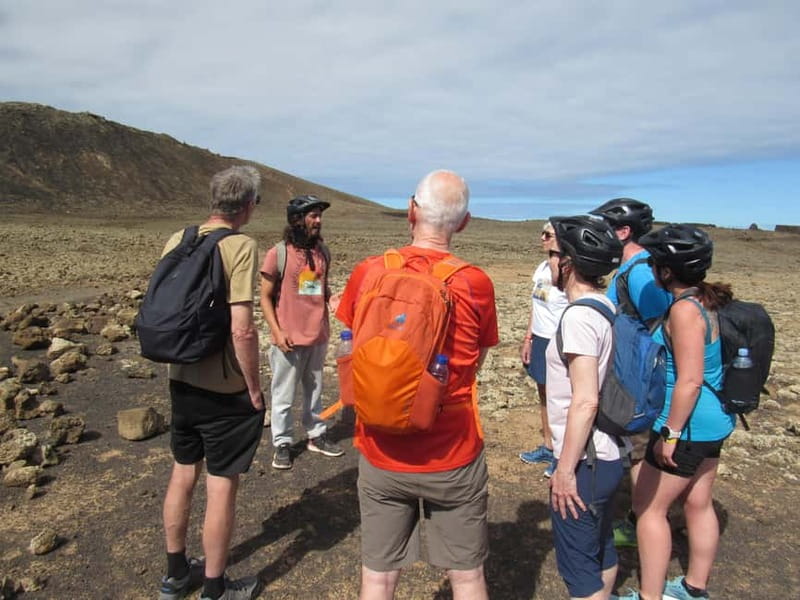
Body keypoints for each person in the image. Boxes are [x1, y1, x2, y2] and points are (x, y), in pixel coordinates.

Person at [336, 169, 499, 600]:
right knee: (466, 576)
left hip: (380, 451)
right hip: (452, 454)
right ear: (463, 223)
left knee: (378, 576)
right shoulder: (475, 282)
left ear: (411, 210)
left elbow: (356, 345)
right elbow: (477, 359)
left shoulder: (369, 272)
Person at [158, 166, 264, 600]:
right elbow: (242, 329)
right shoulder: (240, 246)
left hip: (180, 378)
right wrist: (253, 387)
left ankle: (175, 573)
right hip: (223, 389)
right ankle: (216, 589)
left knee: (183, 473)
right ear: (248, 205)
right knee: (221, 486)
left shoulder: (178, 239)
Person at [612, 225, 735, 600]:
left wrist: (671, 432)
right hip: (714, 420)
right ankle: (694, 588)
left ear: (667, 271)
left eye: (656, 265)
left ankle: (651, 597)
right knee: (698, 503)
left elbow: (690, 380)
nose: (651, 271)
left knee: (649, 510)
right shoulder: (707, 301)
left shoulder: (683, 311)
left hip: (687, 425)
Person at [546, 215, 625, 600]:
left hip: (585, 461)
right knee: (601, 548)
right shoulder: (604, 307)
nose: (548, 261)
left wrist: (564, 470)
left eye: (553, 254)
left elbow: (585, 399)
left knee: (580, 573)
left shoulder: (578, 318)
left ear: (569, 263)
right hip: (608, 455)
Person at [590, 198, 672, 547]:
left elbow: (661, 325)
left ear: (623, 232)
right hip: (632, 370)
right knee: (637, 449)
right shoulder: (631, 269)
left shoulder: (638, 271)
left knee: (640, 450)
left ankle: (642, 519)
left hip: (639, 375)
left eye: (605, 227)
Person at [260, 194, 344, 470]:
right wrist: (277, 330)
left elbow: (316, 289)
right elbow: (265, 297)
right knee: (283, 395)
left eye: (320, 216)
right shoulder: (279, 254)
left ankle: (316, 435)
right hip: (288, 339)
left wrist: (333, 303)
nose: (319, 221)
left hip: (317, 335)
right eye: (313, 216)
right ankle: (282, 442)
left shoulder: (321, 252)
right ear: (296, 219)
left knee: (315, 391)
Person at [519, 220, 569, 477]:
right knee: (544, 393)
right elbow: (536, 307)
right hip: (540, 338)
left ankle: (564, 455)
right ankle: (549, 446)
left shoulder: (569, 270)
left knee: (561, 399)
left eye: (547, 234)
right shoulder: (541, 268)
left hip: (559, 341)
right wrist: (528, 338)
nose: (542, 238)